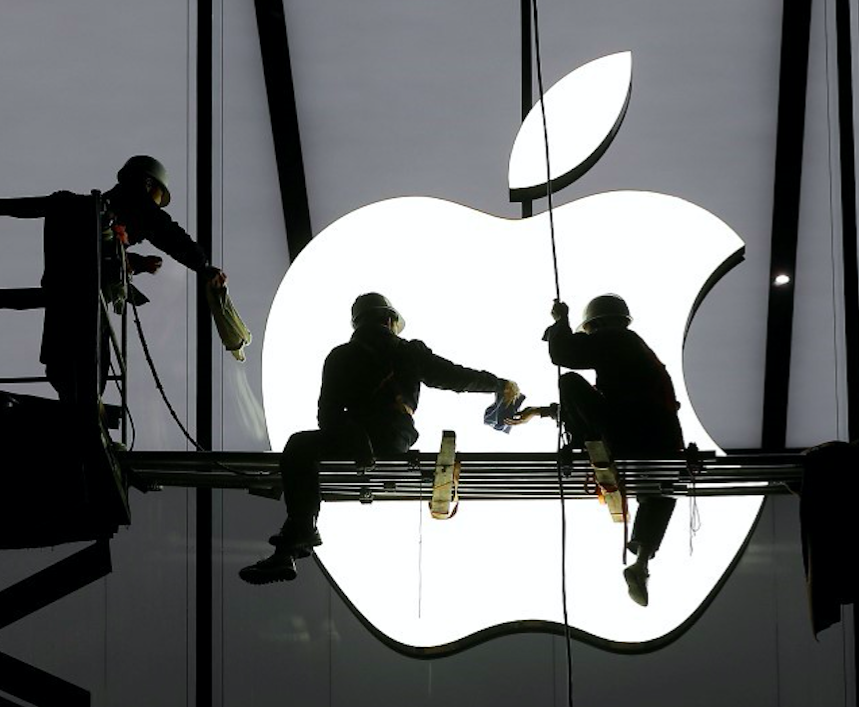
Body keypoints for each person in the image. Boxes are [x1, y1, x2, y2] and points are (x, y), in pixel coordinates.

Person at [240, 292, 521, 585]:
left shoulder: (340, 356)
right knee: (305, 447)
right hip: (392, 439)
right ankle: (292, 543)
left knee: (299, 446)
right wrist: (497, 384)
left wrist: (355, 437)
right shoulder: (407, 352)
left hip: (353, 439)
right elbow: (454, 377)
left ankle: (301, 530)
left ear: (357, 324)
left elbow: (327, 416)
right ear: (390, 320)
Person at [0, 155, 227, 404]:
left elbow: (100, 251)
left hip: (66, 301)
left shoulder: (78, 208)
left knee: (70, 369)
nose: (155, 208)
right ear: (147, 185)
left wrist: (138, 262)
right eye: (157, 199)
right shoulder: (134, 204)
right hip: (83, 305)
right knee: (87, 370)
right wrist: (202, 265)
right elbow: (166, 232)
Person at [509, 294, 683, 606]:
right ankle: (641, 563)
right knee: (659, 492)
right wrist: (542, 412)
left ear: (596, 324)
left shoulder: (615, 338)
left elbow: (564, 355)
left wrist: (559, 320)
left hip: (628, 430)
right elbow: (603, 403)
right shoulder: (638, 352)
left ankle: (584, 445)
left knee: (570, 382)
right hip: (664, 439)